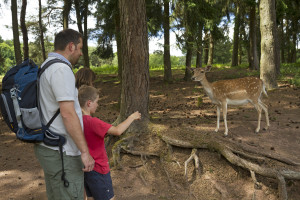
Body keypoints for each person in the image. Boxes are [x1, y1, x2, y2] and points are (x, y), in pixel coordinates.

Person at [34, 28, 95, 200]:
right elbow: (67, 114)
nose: (81, 53)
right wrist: (84, 151)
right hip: (63, 153)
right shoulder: (61, 70)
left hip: (51, 147)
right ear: (71, 46)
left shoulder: (47, 66)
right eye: (80, 48)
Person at [78, 85, 141, 200]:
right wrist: (132, 117)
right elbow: (117, 131)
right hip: (99, 170)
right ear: (89, 103)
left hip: (86, 168)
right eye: (96, 102)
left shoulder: (77, 120)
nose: (97, 105)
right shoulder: (93, 122)